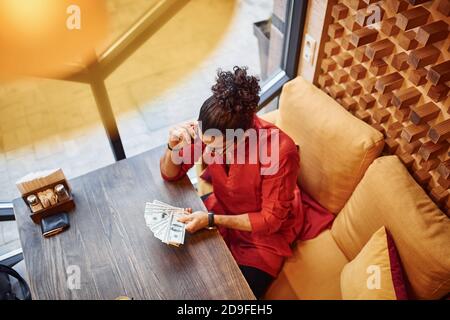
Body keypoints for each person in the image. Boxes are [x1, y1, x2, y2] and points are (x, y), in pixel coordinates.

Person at [160, 66, 334, 298]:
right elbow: (171, 174)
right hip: (220, 207)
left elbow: (270, 220)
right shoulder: (213, 129)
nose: (205, 148)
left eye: (214, 145)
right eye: (204, 140)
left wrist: (211, 219)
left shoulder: (279, 150)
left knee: (233, 297)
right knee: (173, 266)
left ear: (240, 136)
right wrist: (172, 145)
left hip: (263, 236)